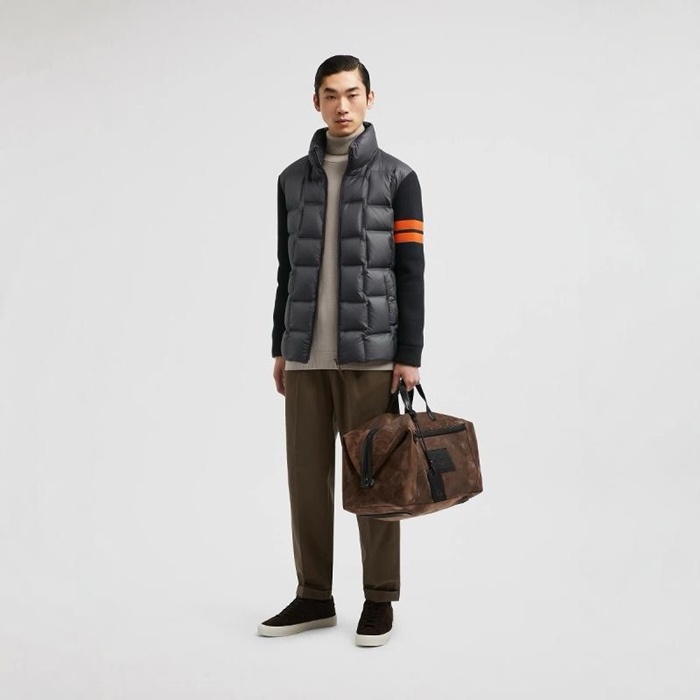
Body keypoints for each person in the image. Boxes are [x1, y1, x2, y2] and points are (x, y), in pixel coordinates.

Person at [259, 55, 425, 647]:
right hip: (306, 357)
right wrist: (281, 345)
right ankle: (314, 596)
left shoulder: (399, 179)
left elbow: (411, 270)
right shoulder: (291, 180)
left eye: (352, 94)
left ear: (369, 98)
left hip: (372, 359)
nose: (342, 106)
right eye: (330, 95)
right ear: (316, 102)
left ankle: (378, 599)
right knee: (306, 481)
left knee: (375, 482)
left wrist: (409, 354)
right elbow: (288, 269)